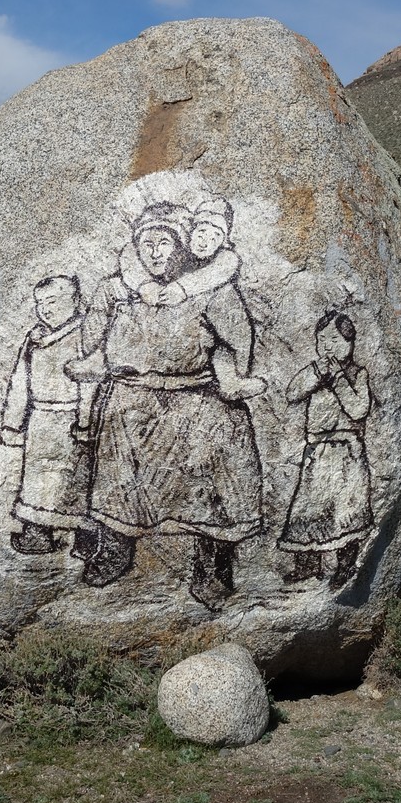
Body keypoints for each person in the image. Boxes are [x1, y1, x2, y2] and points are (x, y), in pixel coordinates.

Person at [69, 201, 264, 609]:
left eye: (165, 242)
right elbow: (93, 337)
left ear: (181, 246)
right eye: (147, 243)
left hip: (196, 394)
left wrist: (231, 373)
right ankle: (115, 548)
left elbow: (239, 338)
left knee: (222, 440)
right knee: (118, 450)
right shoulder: (116, 289)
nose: (155, 252)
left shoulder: (212, 290)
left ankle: (214, 562)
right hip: (133, 395)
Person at [112, 195, 265, 400]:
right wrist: (144, 285)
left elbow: (228, 265)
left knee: (225, 342)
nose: (205, 243)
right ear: (190, 233)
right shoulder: (130, 275)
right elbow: (129, 253)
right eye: (201, 233)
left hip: (197, 389)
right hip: (132, 389)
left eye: (215, 237)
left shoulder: (219, 272)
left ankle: (231, 380)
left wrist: (184, 288)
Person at [0, 274, 93, 555]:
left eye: (53, 301)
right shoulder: (34, 338)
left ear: (75, 301)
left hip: (73, 419)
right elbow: (19, 383)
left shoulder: (86, 334)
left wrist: (87, 421)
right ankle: (37, 532)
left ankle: (86, 539)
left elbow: (91, 381)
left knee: (77, 480)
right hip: (40, 419)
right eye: (40, 303)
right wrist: (12, 423)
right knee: (37, 480)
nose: (46, 309)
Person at [278, 310, 372, 588]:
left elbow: (358, 409)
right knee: (309, 508)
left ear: (350, 342)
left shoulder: (358, 374)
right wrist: (317, 374)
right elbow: (292, 393)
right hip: (317, 449)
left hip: (347, 450)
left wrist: (340, 380)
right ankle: (307, 564)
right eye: (321, 340)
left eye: (333, 339)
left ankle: (345, 565)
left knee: (346, 510)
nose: (326, 347)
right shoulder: (316, 370)